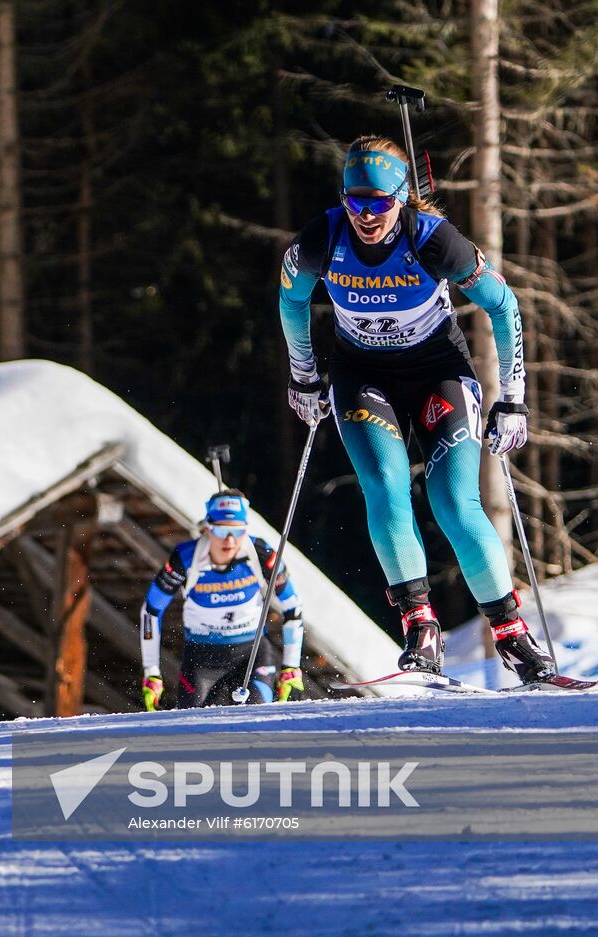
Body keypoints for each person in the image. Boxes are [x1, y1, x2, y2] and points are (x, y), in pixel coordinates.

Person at [277, 134, 555, 683]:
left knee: (453, 502)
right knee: (386, 484)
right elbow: (290, 299)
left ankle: (511, 633)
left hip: (437, 374)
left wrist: (513, 398)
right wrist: (303, 375)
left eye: (380, 202)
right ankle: (419, 626)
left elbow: (504, 306)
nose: (366, 215)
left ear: (401, 197)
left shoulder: (433, 238)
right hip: (363, 378)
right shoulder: (322, 238)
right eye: (355, 201)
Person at [138, 490, 305, 708]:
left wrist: (291, 666)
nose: (230, 540)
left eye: (237, 531)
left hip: (251, 656)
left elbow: (292, 606)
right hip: (201, 659)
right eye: (221, 530)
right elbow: (151, 610)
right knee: (192, 724)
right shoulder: (186, 558)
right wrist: (151, 671)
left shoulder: (261, 554)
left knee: (258, 717)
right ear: (207, 528)